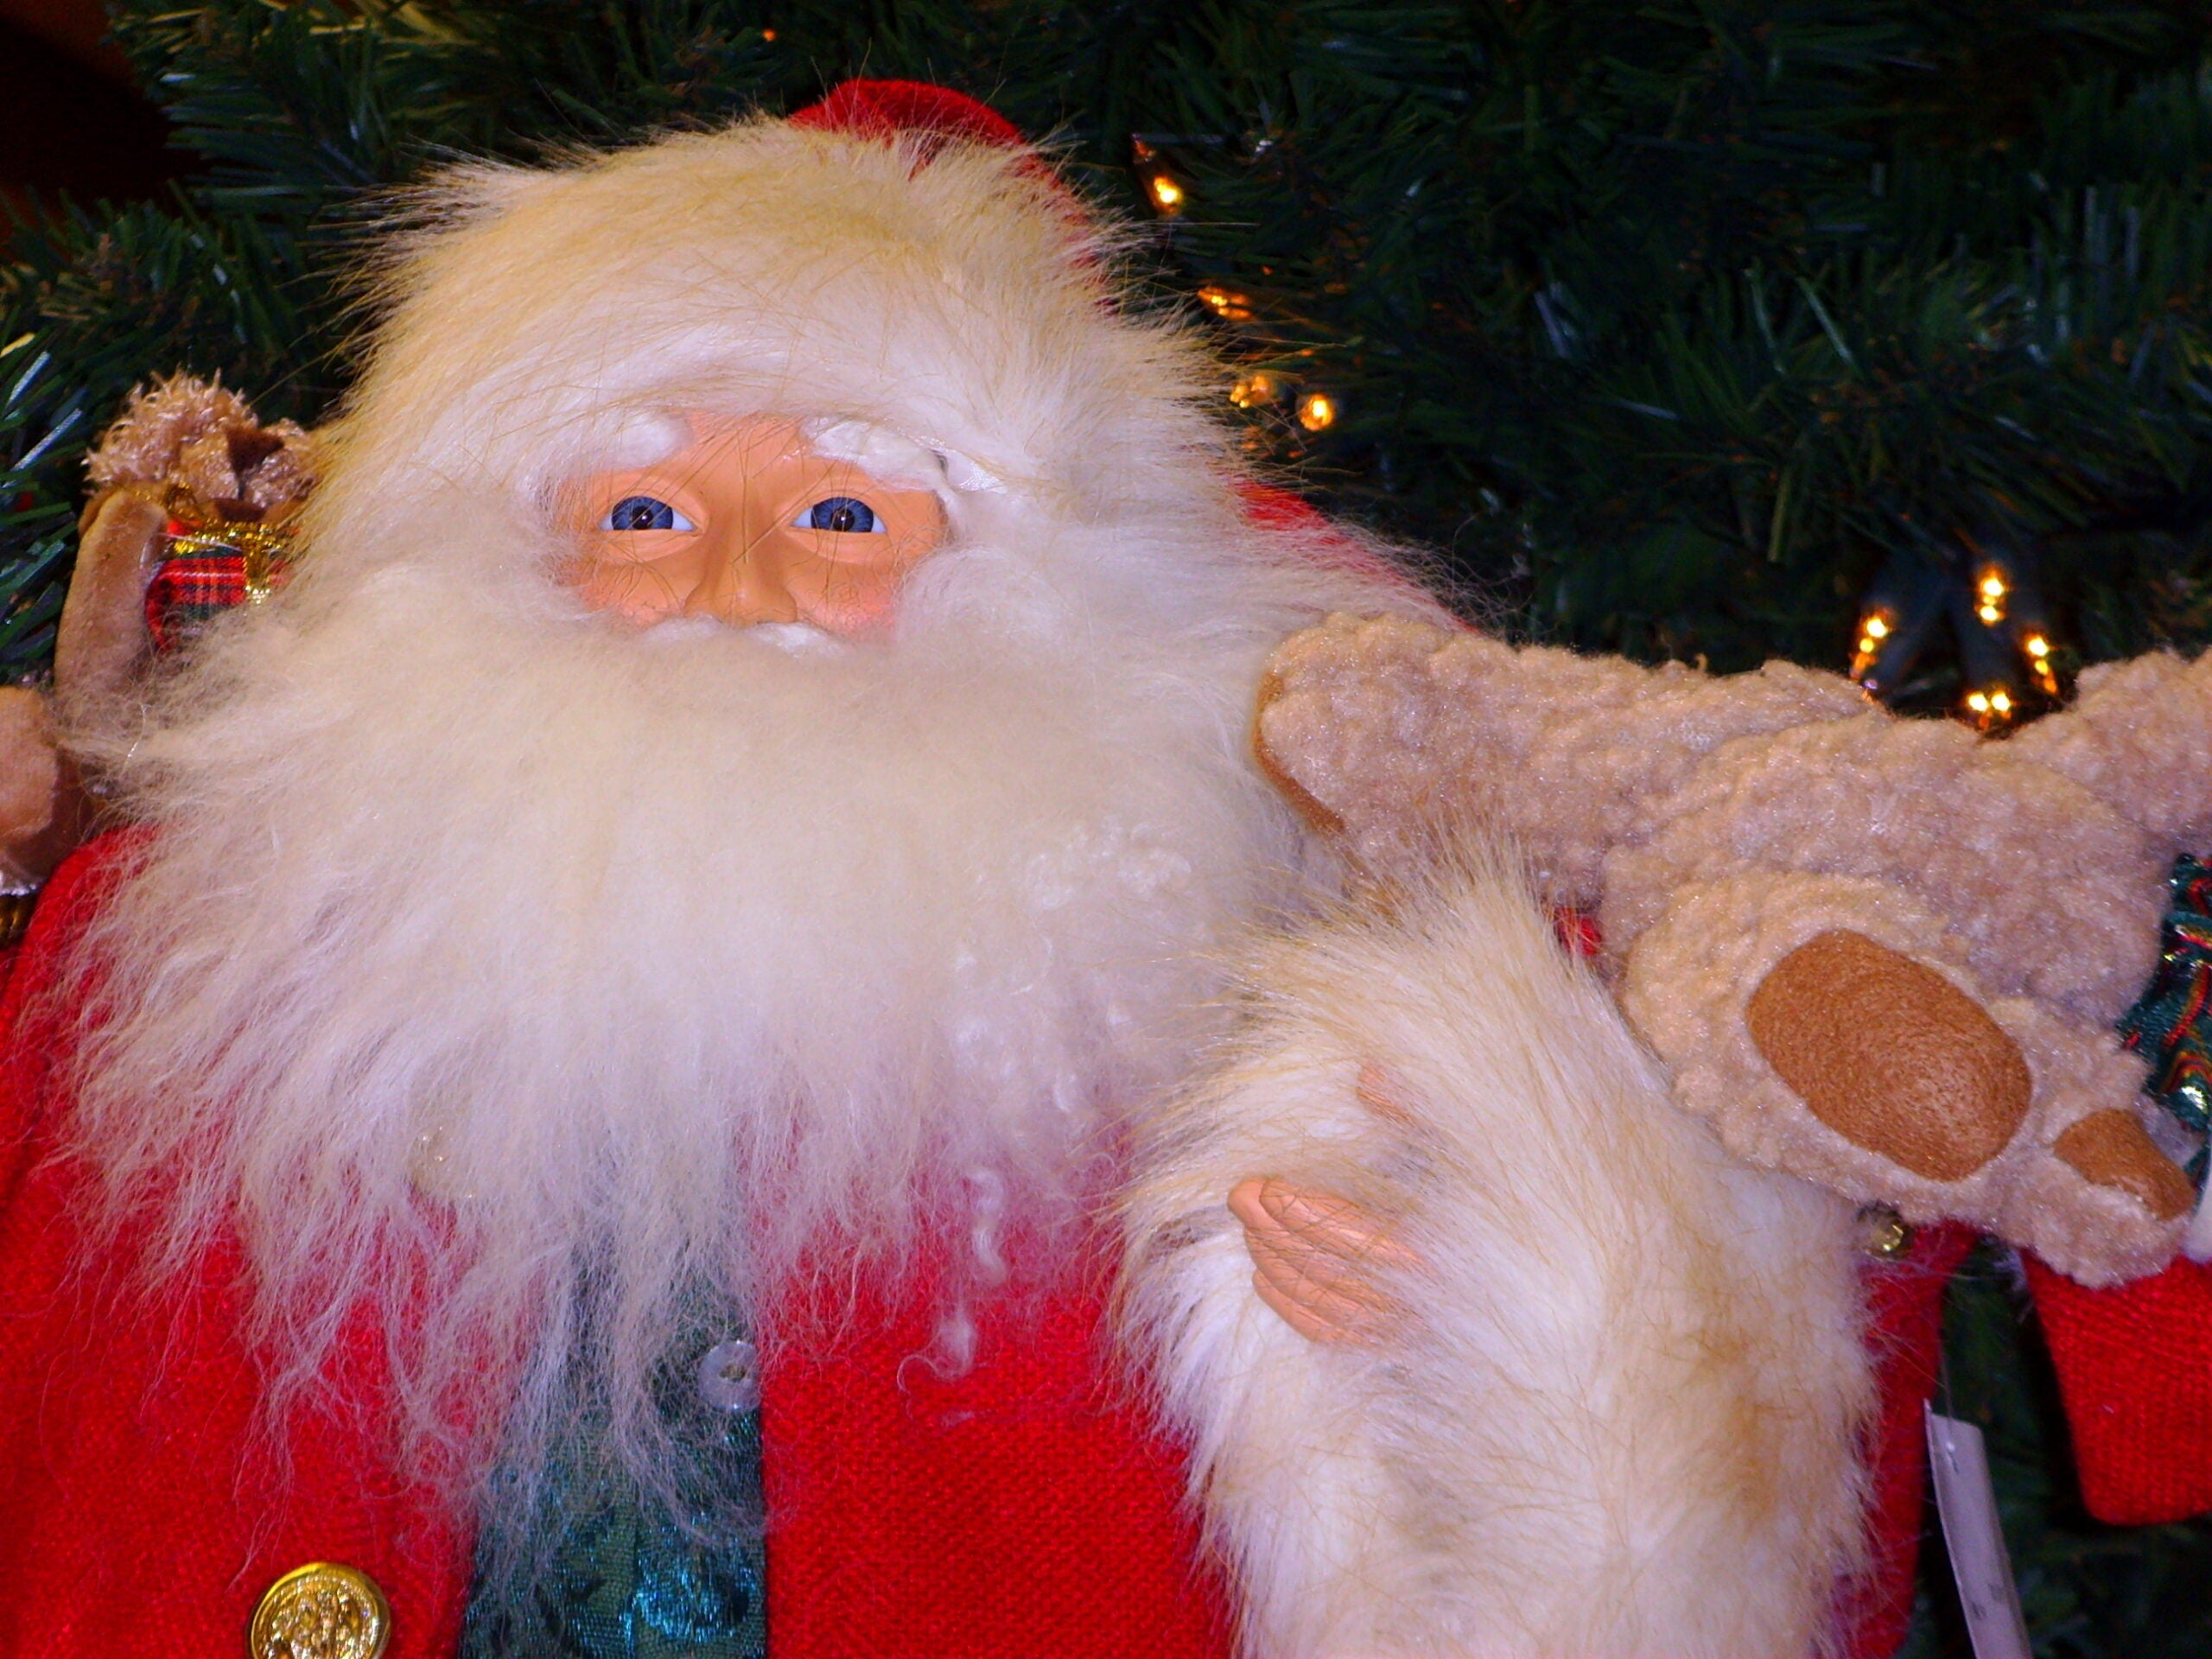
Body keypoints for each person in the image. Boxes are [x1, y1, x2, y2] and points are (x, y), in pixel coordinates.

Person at [1, 78, 2205, 1659]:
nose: (739, 578)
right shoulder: (184, 945)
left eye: (847, 514)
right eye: (646, 513)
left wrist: (1509, 1279)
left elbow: (1705, 1206)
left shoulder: (1266, 891)